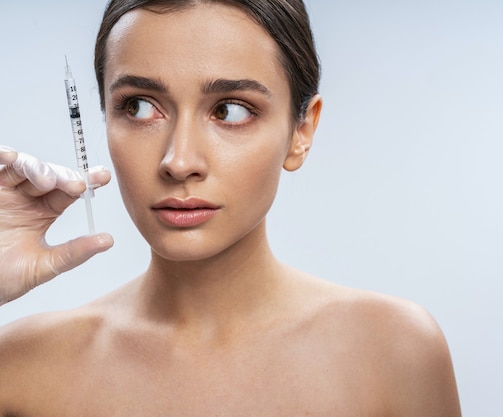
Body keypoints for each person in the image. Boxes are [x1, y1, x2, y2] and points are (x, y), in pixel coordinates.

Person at [0, 0, 461, 415]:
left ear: (302, 130)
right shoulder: (20, 368)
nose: (179, 162)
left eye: (230, 110)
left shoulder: (395, 353)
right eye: (139, 107)